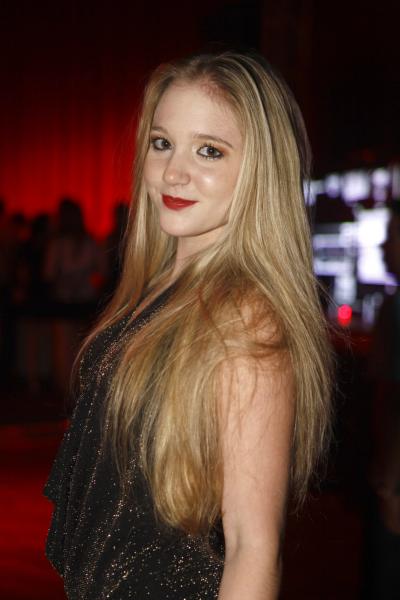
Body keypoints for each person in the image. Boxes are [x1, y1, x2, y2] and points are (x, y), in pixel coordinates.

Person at [44, 51, 332, 600]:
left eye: (209, 151)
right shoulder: (157, 290)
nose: (173, 172)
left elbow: (253, 547)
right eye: (162, 143)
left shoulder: (247, 318)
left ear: (260, 172)